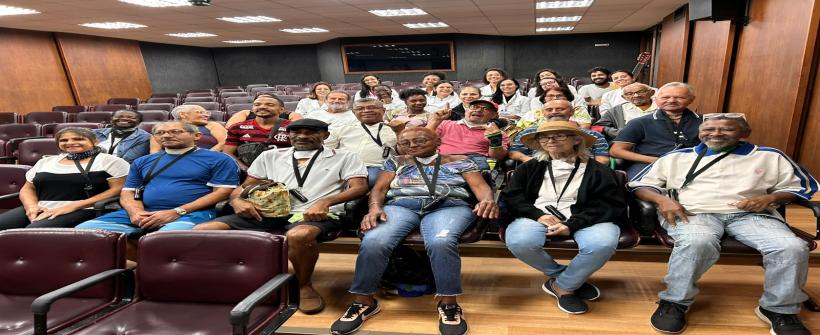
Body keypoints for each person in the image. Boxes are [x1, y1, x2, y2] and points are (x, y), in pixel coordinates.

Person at [629, 113, 817, 335]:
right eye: (708, 129)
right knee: (697, 241)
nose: (715, 133)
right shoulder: (676, 157)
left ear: (744, 134)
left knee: (791, 247)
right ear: (699, 132)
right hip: (695, 212)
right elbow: (640, 184)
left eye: (726, 129)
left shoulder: (769, 156)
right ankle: (675, 301)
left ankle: (780, 310)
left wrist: (771, 198)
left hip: (751, 215)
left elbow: (800, 187)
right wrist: (663, 200)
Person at [330, 127, 498, 335]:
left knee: (441, 241)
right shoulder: (396, 162)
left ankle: (448, 304)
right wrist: (374, 207)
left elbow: (479, 186)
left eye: (419, 140)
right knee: (374, 241)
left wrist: (487, 200)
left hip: (449, 205)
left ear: (438, 141)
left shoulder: (460, 159)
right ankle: (364, 301)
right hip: (401, 205)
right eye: (405, 143)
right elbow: (380, 189)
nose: (412, 145)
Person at [195, 118, 368, 314]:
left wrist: (326, 202)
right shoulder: (271, 155)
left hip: (317, 213)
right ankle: (231, 281)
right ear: (288, 135)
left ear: (325, 136)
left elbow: (359, 188)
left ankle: (304, 285)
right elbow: (244, 187)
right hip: (269, 211)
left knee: (299, 236)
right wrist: (237, 201)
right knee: (204, 230)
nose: (302, 136)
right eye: (297, 132)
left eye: (311, 132)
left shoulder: (344, 156)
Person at [503, 121, 623, 314]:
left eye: (559, 135)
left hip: (586, 218)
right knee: (520, 241)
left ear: (576, 139)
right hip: (537, 215)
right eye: (544, 137)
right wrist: (538, 215)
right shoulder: (528, 168)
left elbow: (608, 205)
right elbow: (512, 196)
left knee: (602, 244)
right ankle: (566, 278)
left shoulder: (599, 170)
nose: (550, 140)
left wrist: (572, 224)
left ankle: (563, 286)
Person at [76, 122, 239, 258]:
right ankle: (138, 267)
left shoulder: (219, 159)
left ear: (196, 136)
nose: (166, 135)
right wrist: (135, 212)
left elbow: (222, 192)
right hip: (142, 212)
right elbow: (128, 191)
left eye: (175, 131)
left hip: (192, 213)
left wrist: (177, 211)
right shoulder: (143, 161)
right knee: (84, 233)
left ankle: (148, 270)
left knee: (164, 240)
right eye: (160, 132)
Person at [0, 127, 128, 230]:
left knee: (34, 231)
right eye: (64, 140)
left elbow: (117, 189)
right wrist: (31, 207)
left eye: (79, 139)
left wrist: (72, 206)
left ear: (94, 142)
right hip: (42, 207)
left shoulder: (111, 161)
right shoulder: (45, 161)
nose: (70, 143)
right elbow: (28, 189)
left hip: (86, 208)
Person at [610, 82, 702, 178]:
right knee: (640, 187)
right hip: (648, 164)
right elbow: (616, 151)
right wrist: (656, 160)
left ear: (691, 99)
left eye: (679, 97)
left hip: (692, 164)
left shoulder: (706, 121)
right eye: (665, 97)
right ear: (656, 99)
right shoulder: (640, 122)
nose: (672, 101)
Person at [510, 99, 610, 165]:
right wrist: (531, 162)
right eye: (549, 110)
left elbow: (603, 159)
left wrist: (589, 171)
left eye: (560, 109)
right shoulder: (530, 132)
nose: (554, 112)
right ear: (543, 114)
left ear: (572, 112)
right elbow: (514, 152)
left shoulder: (592, 134)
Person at [326, 98, 397, 187]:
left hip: (377, 168)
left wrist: (400, 132)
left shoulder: (394, 129)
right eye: (360, 109)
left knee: (372, 179)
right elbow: (325, 149)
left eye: (371, 107)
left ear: (383, 110)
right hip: (344, 167)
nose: (366, 111)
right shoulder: (342, 130)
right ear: (353, 112)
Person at [427, 99, 508, 171]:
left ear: (494, 115)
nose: (479, 110)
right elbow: (421, 140)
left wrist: (494, 140)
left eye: (485, 108)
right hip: (442, 159)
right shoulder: (444, 124)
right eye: (474, 107)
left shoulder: (497, 133)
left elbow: (497, 157)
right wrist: (435, 120)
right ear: (466, 111)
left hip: (475, 161)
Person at [223, 94, 291, 169]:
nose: (262, 107)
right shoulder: (236, 128)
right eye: (257, 104)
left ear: (282, 110)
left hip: (283, 171)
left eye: (270, 105)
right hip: (248, 172)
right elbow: (228, 153)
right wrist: (247, 171)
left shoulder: (293, 127)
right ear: (252, 109)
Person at [151, 105, 226, 152]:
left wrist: (205, 156)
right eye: (200, 112)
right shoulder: (162, 128)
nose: (206, 115)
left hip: (208, 159)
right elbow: (155, 151)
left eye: (207, 113)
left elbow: (224, 143)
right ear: (183, 115)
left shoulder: (213, 125)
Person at [523, 86, 592, 128]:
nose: (555, 98)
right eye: (550, 96)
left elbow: (585, 126)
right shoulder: (534, 113)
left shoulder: (578, 110)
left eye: (559, 96)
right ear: (544, 99)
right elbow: (522, 129)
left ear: (567, 98)